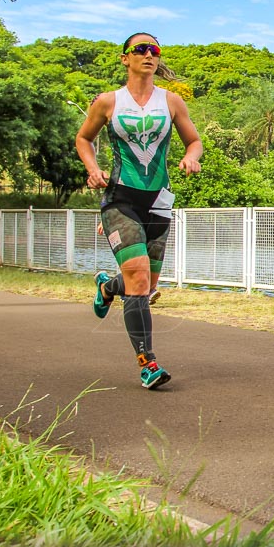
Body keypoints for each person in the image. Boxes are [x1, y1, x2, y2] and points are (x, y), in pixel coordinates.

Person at [75, 32, 202, 389]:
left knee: (143, 288)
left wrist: (191, 158)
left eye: (154, 50)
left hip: (159, 200)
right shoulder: (107, 102)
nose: (149, 54)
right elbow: (83, 139)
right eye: (140, 49)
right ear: (125, 58)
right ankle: (148, 363)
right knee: (140, 282)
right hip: (121, 199)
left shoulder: (172, 101)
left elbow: (194, 140)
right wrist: (92, 168)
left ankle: (107, 287)